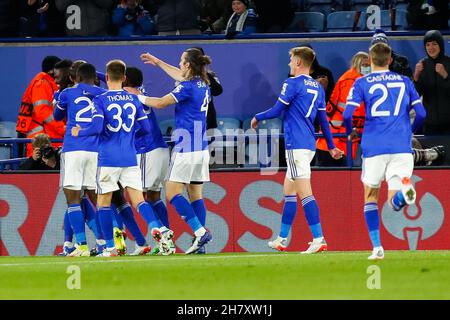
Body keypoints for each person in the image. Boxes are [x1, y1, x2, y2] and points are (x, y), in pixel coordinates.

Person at [71, 59, 173, 257]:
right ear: (124, 78)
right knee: (138, 201)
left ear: (107, 77)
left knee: (103, 202)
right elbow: (145, 128)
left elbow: (98, 127)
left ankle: (109, 248)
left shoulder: (100, 100)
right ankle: (160, 230)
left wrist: (79, 132)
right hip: (130, 157)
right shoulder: (134, 98)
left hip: (108, 158)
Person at [250, 46, 344, 253]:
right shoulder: (317, 87)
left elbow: (277, 110)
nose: (289, 63)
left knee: (305, 193)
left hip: (296, 145)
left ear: (299, 62)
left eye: (291, 60)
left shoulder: (292, 83)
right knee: (289, 191)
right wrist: (331, 146)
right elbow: (323, 121)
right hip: (308, 145)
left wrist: (258, 116)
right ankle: (282, 239)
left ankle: (319, 238)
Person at [343, 42, 427, 260]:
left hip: (374, 146)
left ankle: (377, 248)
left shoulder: (361, 82)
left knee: (370, 196)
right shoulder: (405, 81)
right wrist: (410, 133)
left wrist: (351, 131)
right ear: (390, 60)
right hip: (401, 147)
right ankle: (404, 195)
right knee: (393, 201)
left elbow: (346, 115)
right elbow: (422, 114)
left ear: (369, 61)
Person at [139, 48, 213, 254]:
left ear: (188, 65)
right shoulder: (203, 83)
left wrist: (138, 98)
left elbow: (161, 103)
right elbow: (180, 75)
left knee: (172, 192)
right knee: (196, 195)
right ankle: (199, 246)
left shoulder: (187, 87)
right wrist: (158, 61)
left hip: (186, 147)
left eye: (181, 61)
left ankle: (199, 233)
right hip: (201, 147)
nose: (179, 64)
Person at [54, 62, 106, 257]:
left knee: (73, 199)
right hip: (95, 150)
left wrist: (58, 98)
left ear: (73, 77)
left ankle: (81, 246)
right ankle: (102, 242)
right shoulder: (101, 93)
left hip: (74, 148)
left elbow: (57, 116)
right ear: (94, 77)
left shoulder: (67, 93)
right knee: (97, 199)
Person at [122, 66, 174, 255]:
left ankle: (163, 234)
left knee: (139, 197)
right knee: (153, 196)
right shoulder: (141, 92)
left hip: (146, 150)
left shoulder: (129, 97)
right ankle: (168, 242)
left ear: (124, 79)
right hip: (160, 148)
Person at [316, 51, 370, 166]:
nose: (369, 68)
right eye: (366, 65)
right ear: (359, 64)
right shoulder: (351, 81)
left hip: (341, 139)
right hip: (335, 140)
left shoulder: (357, 80)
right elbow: (347, 111)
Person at [15, 55, 66, 158]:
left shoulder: (47, 83)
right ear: (53, 71)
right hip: (41, 142)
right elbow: (43, 112)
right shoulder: (41, 83)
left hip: (46, 139)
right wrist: (63, 129)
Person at [413, 30, 450, 135]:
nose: (431, 48)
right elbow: (415, 95)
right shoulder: (422, 65)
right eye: (428, 45)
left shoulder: (449, 63)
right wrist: (416, 77)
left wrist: (445, 76)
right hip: (430, 124)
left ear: (441, 45)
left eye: (434, 44)